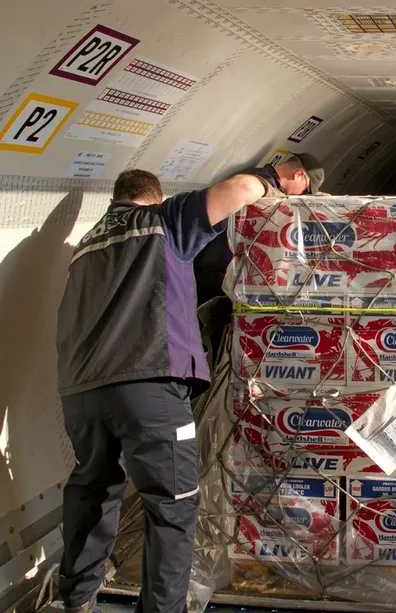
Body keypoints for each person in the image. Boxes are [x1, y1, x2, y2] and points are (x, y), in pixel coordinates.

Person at [55, 168, 270, 613]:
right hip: (147, 385)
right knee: (173, 506)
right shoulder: (162, 221)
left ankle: (75, 600)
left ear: (114, 200)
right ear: (155, 197)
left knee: (92, 491)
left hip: (81, 391)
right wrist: (275, 189)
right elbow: (245, 188)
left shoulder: (86, 245)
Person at [193, 154, 327, 365]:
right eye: (305, 190)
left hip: (222, 274)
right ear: (299, 175)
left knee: (225, 343)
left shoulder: (265, 184)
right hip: (216, 277)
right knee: (224, 342)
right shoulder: (258, 186)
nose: (302, 195)